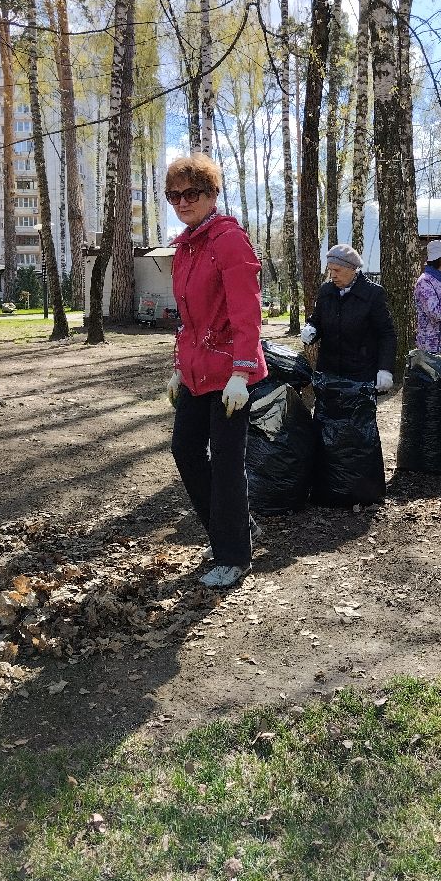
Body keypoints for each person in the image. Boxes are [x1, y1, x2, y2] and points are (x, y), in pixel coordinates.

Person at [165, 153, 267, 589]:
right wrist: (177, 366)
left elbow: (247, 312)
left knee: (227, 464)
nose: (182, 202)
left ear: (211, 195)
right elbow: (189, 319)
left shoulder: (228, 240)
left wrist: (243, 372)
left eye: (191, 193)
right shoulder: (186, 244)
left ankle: (233, 555)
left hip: (229, 375)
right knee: (185, 450)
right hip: (195, 371)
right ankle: (233, 529)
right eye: (174, 195)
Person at [300, 244, 396, 390]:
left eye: (337, 270)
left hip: (361, 376)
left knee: (358, 413)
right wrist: (311, 329)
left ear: (352, 269)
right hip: (328, 374)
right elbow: (317, 320)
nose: (332, 275)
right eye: (330, 270)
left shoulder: (373, 294)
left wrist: (385, 369)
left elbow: (386, 334)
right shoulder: (326, 291)